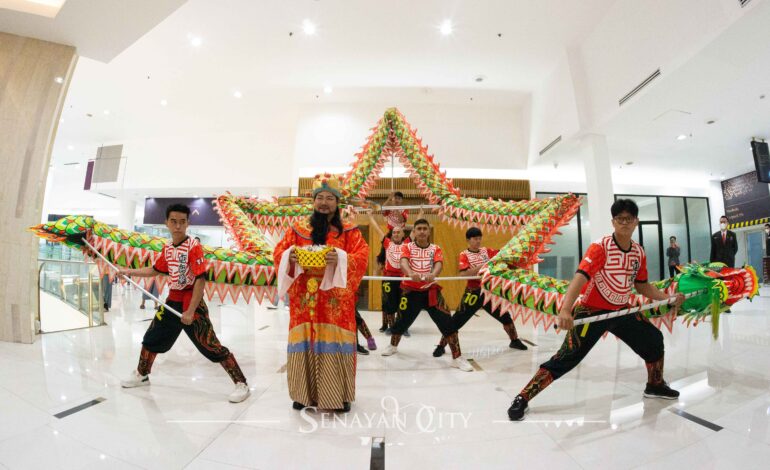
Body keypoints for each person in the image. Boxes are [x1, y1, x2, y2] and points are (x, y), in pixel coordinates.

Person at [507, 199, 685, 421]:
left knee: (653, 339)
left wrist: (667, 299)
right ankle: (523, 397)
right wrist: (565, 310)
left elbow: (642, 286)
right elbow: (580, 278)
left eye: (629, 219)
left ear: (636, 222)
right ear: (613, 222)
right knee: (566, 358)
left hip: (621, 310)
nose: (624, 223)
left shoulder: (638, 252)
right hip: (591, 312)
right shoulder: (600, 247)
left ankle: (655, 385)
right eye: (620, 219)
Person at [118, 203, 250, 403]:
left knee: (211, 346)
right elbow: (155, 269)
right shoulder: (168, 247)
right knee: (151, 338)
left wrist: (190, 310)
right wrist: (129, 272)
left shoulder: (193, 247)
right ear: (166, 223)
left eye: (182, 222)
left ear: (188, 223)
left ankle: (241, 383)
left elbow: (200, 279)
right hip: (172, 302)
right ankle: (142, 374)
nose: (178, 226)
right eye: (173, 222)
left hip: (191, 304)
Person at [273, 174, 369, 412]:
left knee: (335, 343)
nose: (324, 203)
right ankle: (302, 394)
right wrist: (290, 257)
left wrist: (342, 258)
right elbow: (278, 253)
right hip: (304, 300)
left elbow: (362, 256)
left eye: (329, 198)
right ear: (313, 202)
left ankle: (338, 396)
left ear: (337, 203)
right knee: (303, 342)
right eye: (320, 198)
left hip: (335, 302)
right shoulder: (297, 229)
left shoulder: (349, 231)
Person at [381, 219, 474, 372]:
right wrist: (410, 273)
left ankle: (457, 357)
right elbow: (403, 263)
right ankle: (393, 346)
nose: (422, 231)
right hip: (410, 291)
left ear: (429, 231)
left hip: (431, 291)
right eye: (419, 229)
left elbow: (438, 264)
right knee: (401, 321)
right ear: (415, 232)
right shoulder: (406, 247)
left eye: (425, 228)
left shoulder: (435, 248)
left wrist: (433, 274)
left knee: (448, 324)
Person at [432, 227, 527, 357]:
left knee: (505, 316)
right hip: (473, 293)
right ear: (468, 240)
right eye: (475, 239)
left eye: (479, 238)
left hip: (489, 292)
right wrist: (485, 265)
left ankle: (514, 340)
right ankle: (441, 346)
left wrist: (519, 245)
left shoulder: (487, 251)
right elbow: (464, 274)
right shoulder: (464, 255)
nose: (478, 241)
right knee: (456, 321)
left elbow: (504, 255)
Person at [370, 216, 411, 335]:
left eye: (399, 232)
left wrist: (420, 212)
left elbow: (414, 231)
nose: (396, 234)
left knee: (403, 304)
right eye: (394, 232)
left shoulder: (407, 243)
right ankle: (392, 327)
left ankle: (403, 327)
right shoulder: (387, 243)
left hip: (403, 279)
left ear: (403, 234)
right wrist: (370, 215)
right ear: (391, 235)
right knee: (390, 304)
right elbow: (377, 228)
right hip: (389, 278)